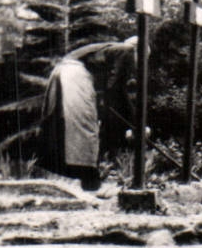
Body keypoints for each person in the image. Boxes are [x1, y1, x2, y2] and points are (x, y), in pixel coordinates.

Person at [35, 38, 137, 192]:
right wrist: (136, 124)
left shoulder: (111, 51)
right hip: (75, 74)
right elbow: (117, 89)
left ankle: (82, 180)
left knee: (68, 121)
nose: (137, 66)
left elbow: (111, 88)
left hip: (62, 70)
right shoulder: (127, 50)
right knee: (85, 126)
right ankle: (90, 184)